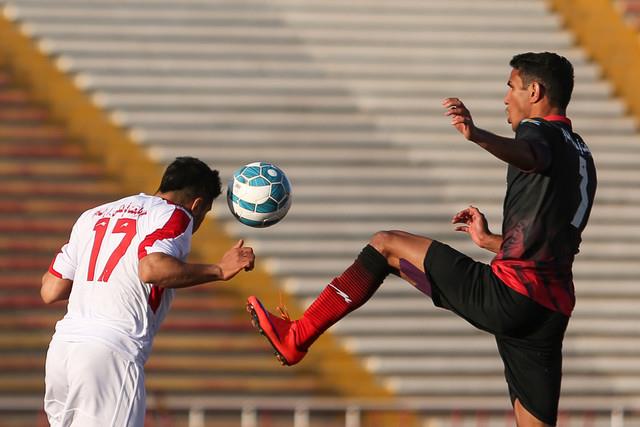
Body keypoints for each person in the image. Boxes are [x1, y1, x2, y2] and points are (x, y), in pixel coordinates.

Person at [246, 52, 597, 426]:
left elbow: (531, 155)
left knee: (386, 245)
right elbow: (557, 242)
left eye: (511, 87)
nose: (505, 98)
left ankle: (296, 336)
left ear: (535, 91)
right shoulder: (581, 153)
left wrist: (475, 135)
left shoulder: (538, 133)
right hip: (550, 311)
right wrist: (491, 240)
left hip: (511, 296)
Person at [41, 156, 255, 427]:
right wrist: (219, 270)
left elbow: (51, 288)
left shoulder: (93, 215)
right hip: (110, 352)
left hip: (62, 351)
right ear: (197, 204)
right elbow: (152, 269)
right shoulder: (176, 214)